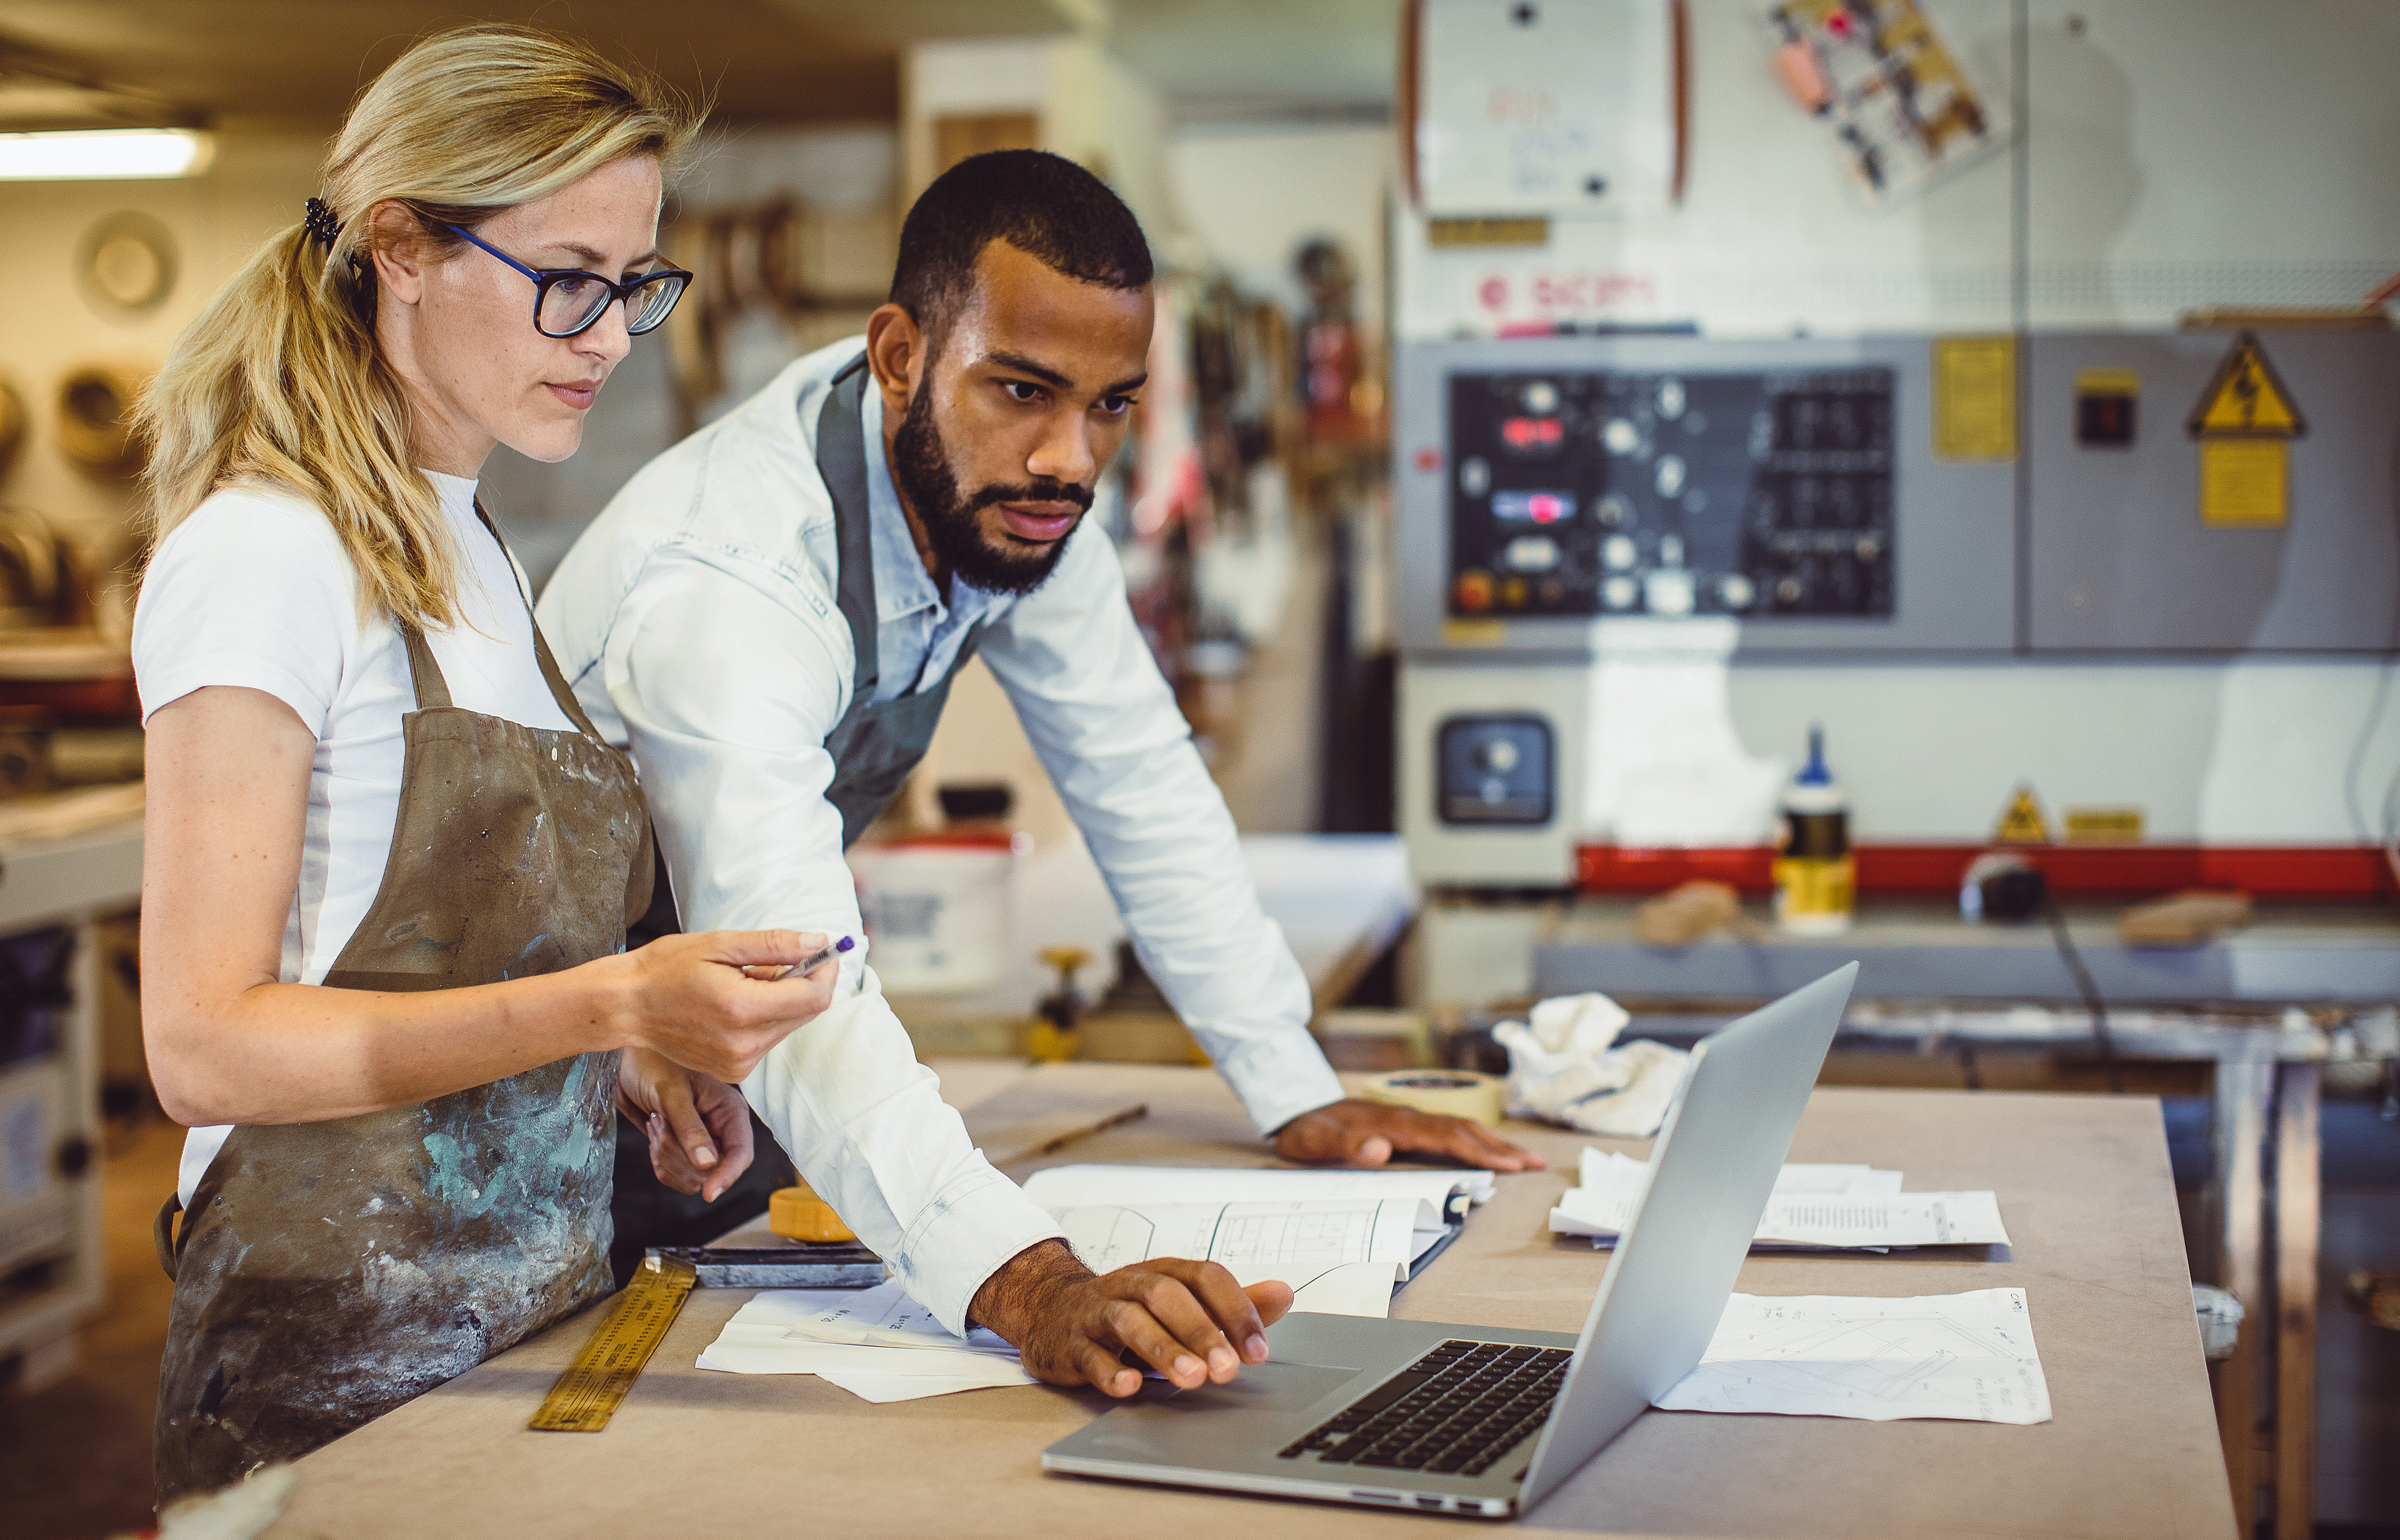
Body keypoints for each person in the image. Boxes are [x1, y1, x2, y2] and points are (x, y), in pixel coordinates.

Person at [536, 150, 1545, 1399]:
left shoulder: (1009, 496)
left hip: (703, 1076)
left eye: (1110, 404)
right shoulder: (734, 583)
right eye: (1021, 389)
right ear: (898, 353)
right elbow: (788, 973)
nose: (1070, 458)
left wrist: (1291, 1084)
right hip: (505, 1094)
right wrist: (1031, 1284)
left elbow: (1142, 783)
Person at [130, 27, 852, 1498]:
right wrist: (605, 997)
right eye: (568, 281)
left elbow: (433, 971)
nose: (605, 337)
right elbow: (200, 1044)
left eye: (633, 285)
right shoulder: (264, 554)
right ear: (401, 246)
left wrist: (628, 1055)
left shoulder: (472, 546)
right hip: (326, 1352)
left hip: (521, 1318)